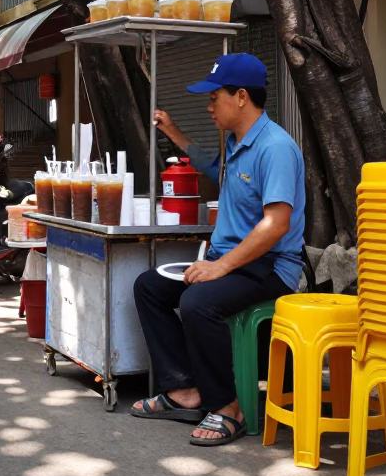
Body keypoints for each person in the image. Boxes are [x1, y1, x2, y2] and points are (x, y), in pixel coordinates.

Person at [130, 53, 306, 447]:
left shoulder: (275, 147)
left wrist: (220, 267)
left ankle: (229, 408)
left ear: (241, 97)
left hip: (270, 265)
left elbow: (276, 224)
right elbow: (216, 173)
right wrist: (174, 133)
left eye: (215, 97)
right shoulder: (234, 141)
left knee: (197, 302)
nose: (209, 105)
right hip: (230, 261)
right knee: (148, 286)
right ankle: (183, 391)